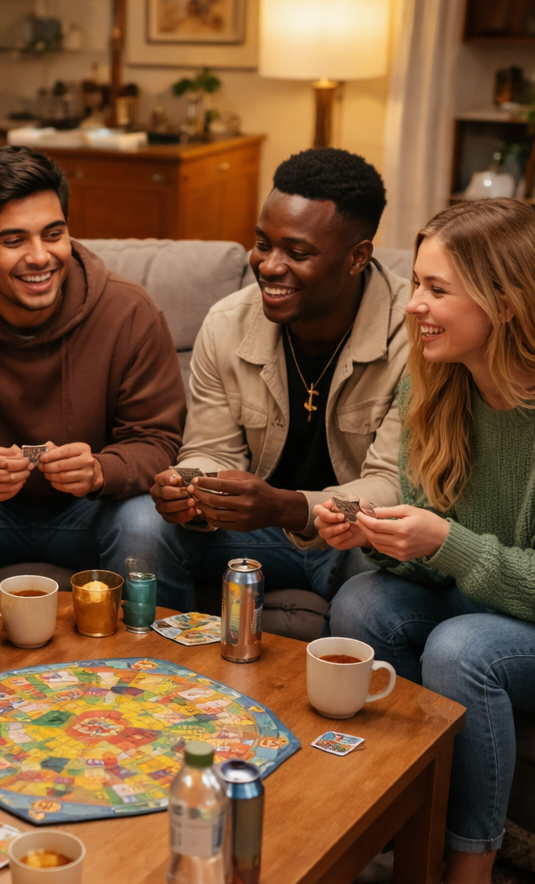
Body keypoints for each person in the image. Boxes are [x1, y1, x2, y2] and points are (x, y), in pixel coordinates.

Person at [319, 198, 535, 884]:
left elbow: (464, 555)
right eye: (417, 283)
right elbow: (428, 563)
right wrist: (384, 535)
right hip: (486, 597)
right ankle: (404, 834)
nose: (413, 305)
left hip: (513, 621)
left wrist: (446, 543)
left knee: (463, 650)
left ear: (505, 302)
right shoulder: (436, 381)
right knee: (364, 605)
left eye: (438, 290)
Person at [0, 146, 186, 597]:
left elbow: (158, 440)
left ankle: (156, 663)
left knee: (144, 517)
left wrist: (101, 470)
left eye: (53, 234)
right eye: (14, 240)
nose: (40, 257)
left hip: (93, 512)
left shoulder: (129, 311)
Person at [147, 149, 409, 613]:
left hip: (355, 543)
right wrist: (189, 484)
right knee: (142, 526)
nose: (268, 265)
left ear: (357, 257)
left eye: (298, 252)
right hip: (255, 534)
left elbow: (393, 489)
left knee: (383, 577)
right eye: (263, 244)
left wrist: (290, 507)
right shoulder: (227, 322)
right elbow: (210, 449)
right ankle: (164, 673)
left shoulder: (412, 337)